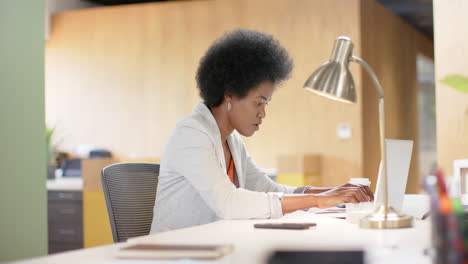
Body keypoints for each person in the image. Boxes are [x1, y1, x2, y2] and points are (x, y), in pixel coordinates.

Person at [150, 29, 373, 233]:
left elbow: (268, 188)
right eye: (259, 102)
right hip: (176, 252)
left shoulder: (231, 140)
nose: (263, 113)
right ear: (229, 95)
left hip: (213, 246)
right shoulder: (192, 133)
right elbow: (229, 203)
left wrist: (331, 193)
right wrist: (316, 200)